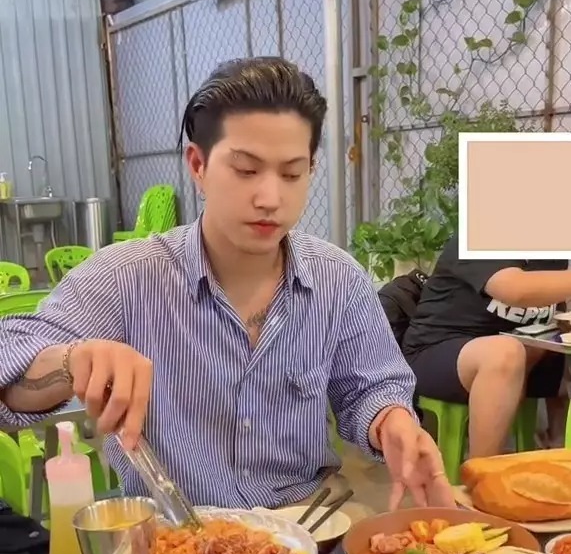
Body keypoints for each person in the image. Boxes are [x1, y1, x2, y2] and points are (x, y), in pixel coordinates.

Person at [0, 57, 454, 514]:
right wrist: (70, 361)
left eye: (292, 174)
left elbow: (370, 387)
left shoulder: (338, 280)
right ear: (198, 165)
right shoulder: (127, 277)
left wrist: (392, 421)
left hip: (308, 525)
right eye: (245, 170)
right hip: (174, 534)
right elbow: (11, 368)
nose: (270, 198)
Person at [402, 234, 569, 457]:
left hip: (514, 350)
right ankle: (482, 472)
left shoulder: (551, 249)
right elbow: (514, 289)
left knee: (550, 345)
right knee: (505, 353)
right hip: (436, 349)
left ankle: (556, 450)